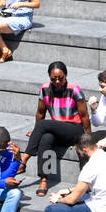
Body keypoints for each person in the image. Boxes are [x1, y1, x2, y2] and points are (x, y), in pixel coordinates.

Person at [18, 61, 91, 196]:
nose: (57, 81)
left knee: (44, 125)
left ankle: (24, 160)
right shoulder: (45, 89)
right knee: (46, 138)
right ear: (49, 77)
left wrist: (89, 137)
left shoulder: (74, 89)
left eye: (61, 78)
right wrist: (37, 134)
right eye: (53, 78)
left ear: (66, 76)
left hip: (74, 130)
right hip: (56, 130)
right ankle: (44, 179)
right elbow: (40, 113)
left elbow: (84, 115)